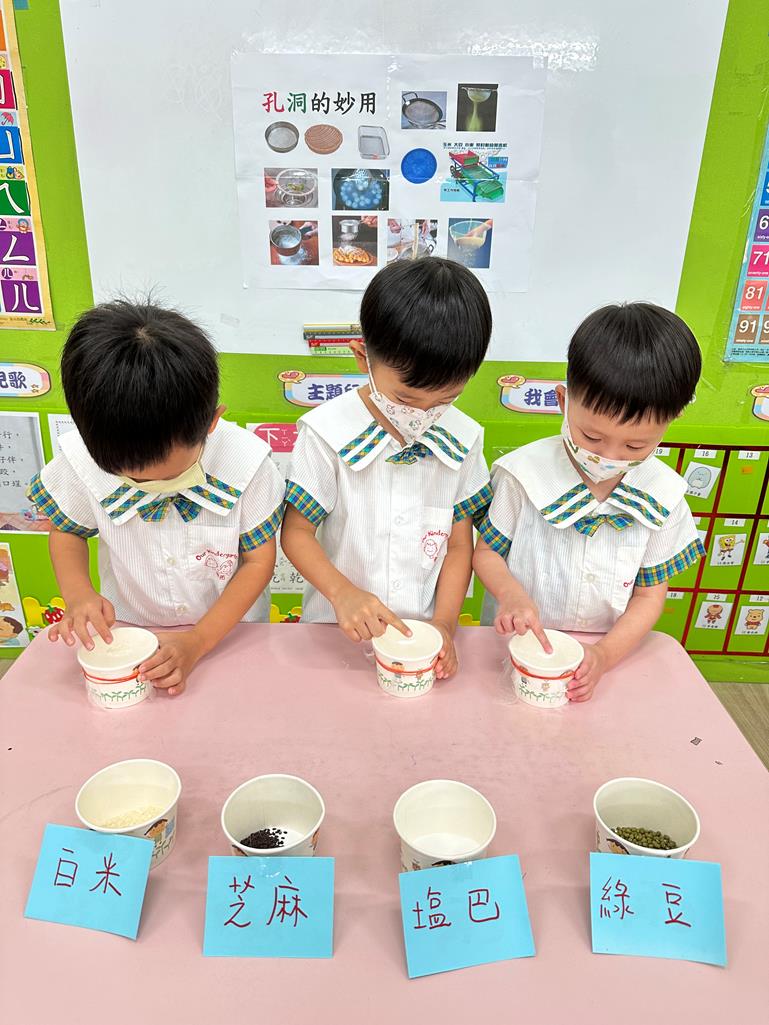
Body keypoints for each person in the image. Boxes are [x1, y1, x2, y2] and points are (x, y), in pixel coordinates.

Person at [28, 299, 284, 696]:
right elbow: (68, 530)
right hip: (131, 629)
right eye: (131, 478)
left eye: (167, 477)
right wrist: (78, 595)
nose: (150, 487)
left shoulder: (248, 464)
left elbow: (257, 561)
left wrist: (198, 641)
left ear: (211, 422)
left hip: (232, 635)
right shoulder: (81, 458)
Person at [473, 302, 705, 701]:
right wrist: (510, 594)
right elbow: (487, 554)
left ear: (673, 419)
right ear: (563, 402)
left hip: (605, 654)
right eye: (592, 437)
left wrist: (604, 654)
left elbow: (649, 596)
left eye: (635, 445)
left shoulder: (664, 496)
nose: (609, 456)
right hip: (515, 645)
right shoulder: (522, 474)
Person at [281, 257, 493, 679]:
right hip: (334, 631)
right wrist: (342, 593)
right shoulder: (325, 433)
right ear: (363, 357)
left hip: (420, 638)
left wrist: (444, 626)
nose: (424, 413)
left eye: (445, 399)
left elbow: (458, 546)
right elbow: (296, 533)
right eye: (407, 399)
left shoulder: (465, 439)